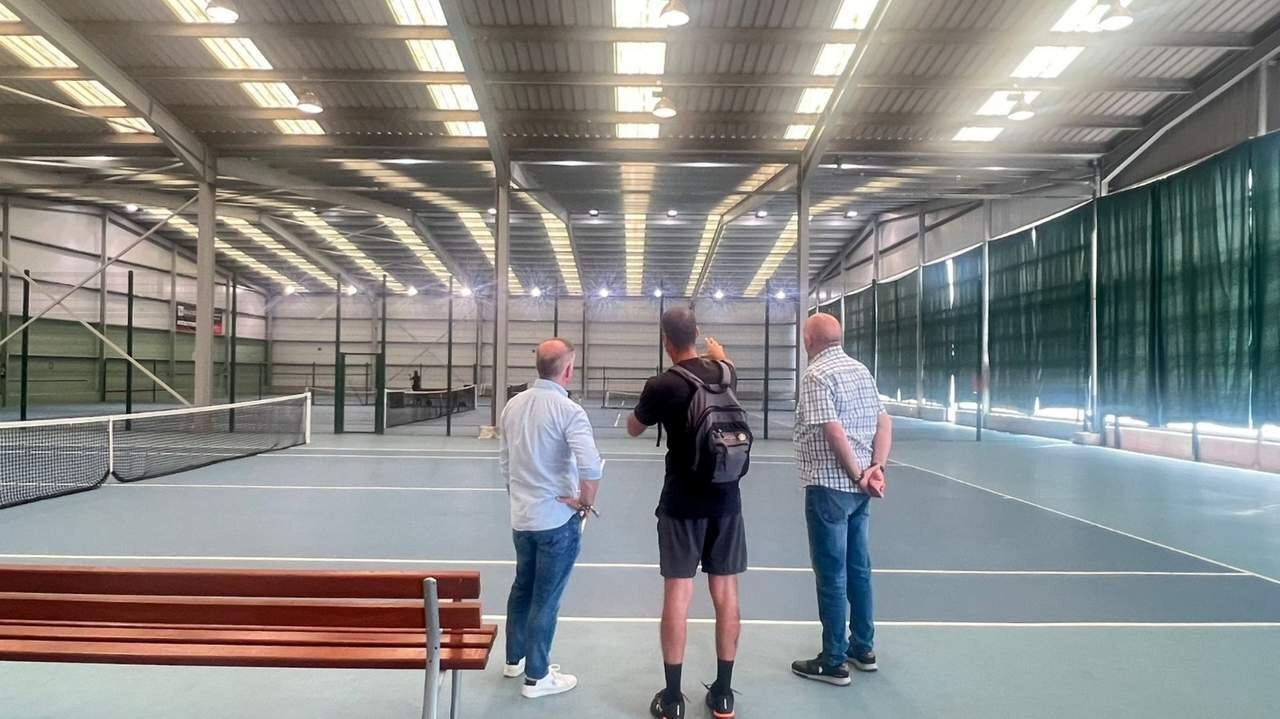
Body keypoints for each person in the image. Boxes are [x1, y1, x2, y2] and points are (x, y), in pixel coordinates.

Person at [628, 307, 746, 719]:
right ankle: (724, 694)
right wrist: (721, 355)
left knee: (678, 595)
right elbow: (725, 367)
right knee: (726, 594)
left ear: (666, 341)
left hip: (681, 502)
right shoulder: (727, 372)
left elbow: (634, 427)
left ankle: (673, 698)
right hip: (726, 500)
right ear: (696, 334)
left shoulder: (662, 385)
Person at [790, 313, 893, 686]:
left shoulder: (816, 375)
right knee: (859, 569)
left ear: (809, 340)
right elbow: (884, 422)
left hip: (830, 488)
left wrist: (856, 474)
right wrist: (876, 469)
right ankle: (863, 647)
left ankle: (833, 660)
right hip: (860, 491)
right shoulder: (860, 370)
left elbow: (834, 432)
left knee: (832, 574)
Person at [499, 338, 604, 699]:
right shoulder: (569, 411)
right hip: (557, 522)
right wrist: (584, 503)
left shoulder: (512, 405)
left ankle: (514, 660)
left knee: (522, 588)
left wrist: (519, 499)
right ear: (568, 370)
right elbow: (590, 467)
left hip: (522, 519)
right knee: (546, 598)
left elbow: (504, 462)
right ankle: (537, 677)